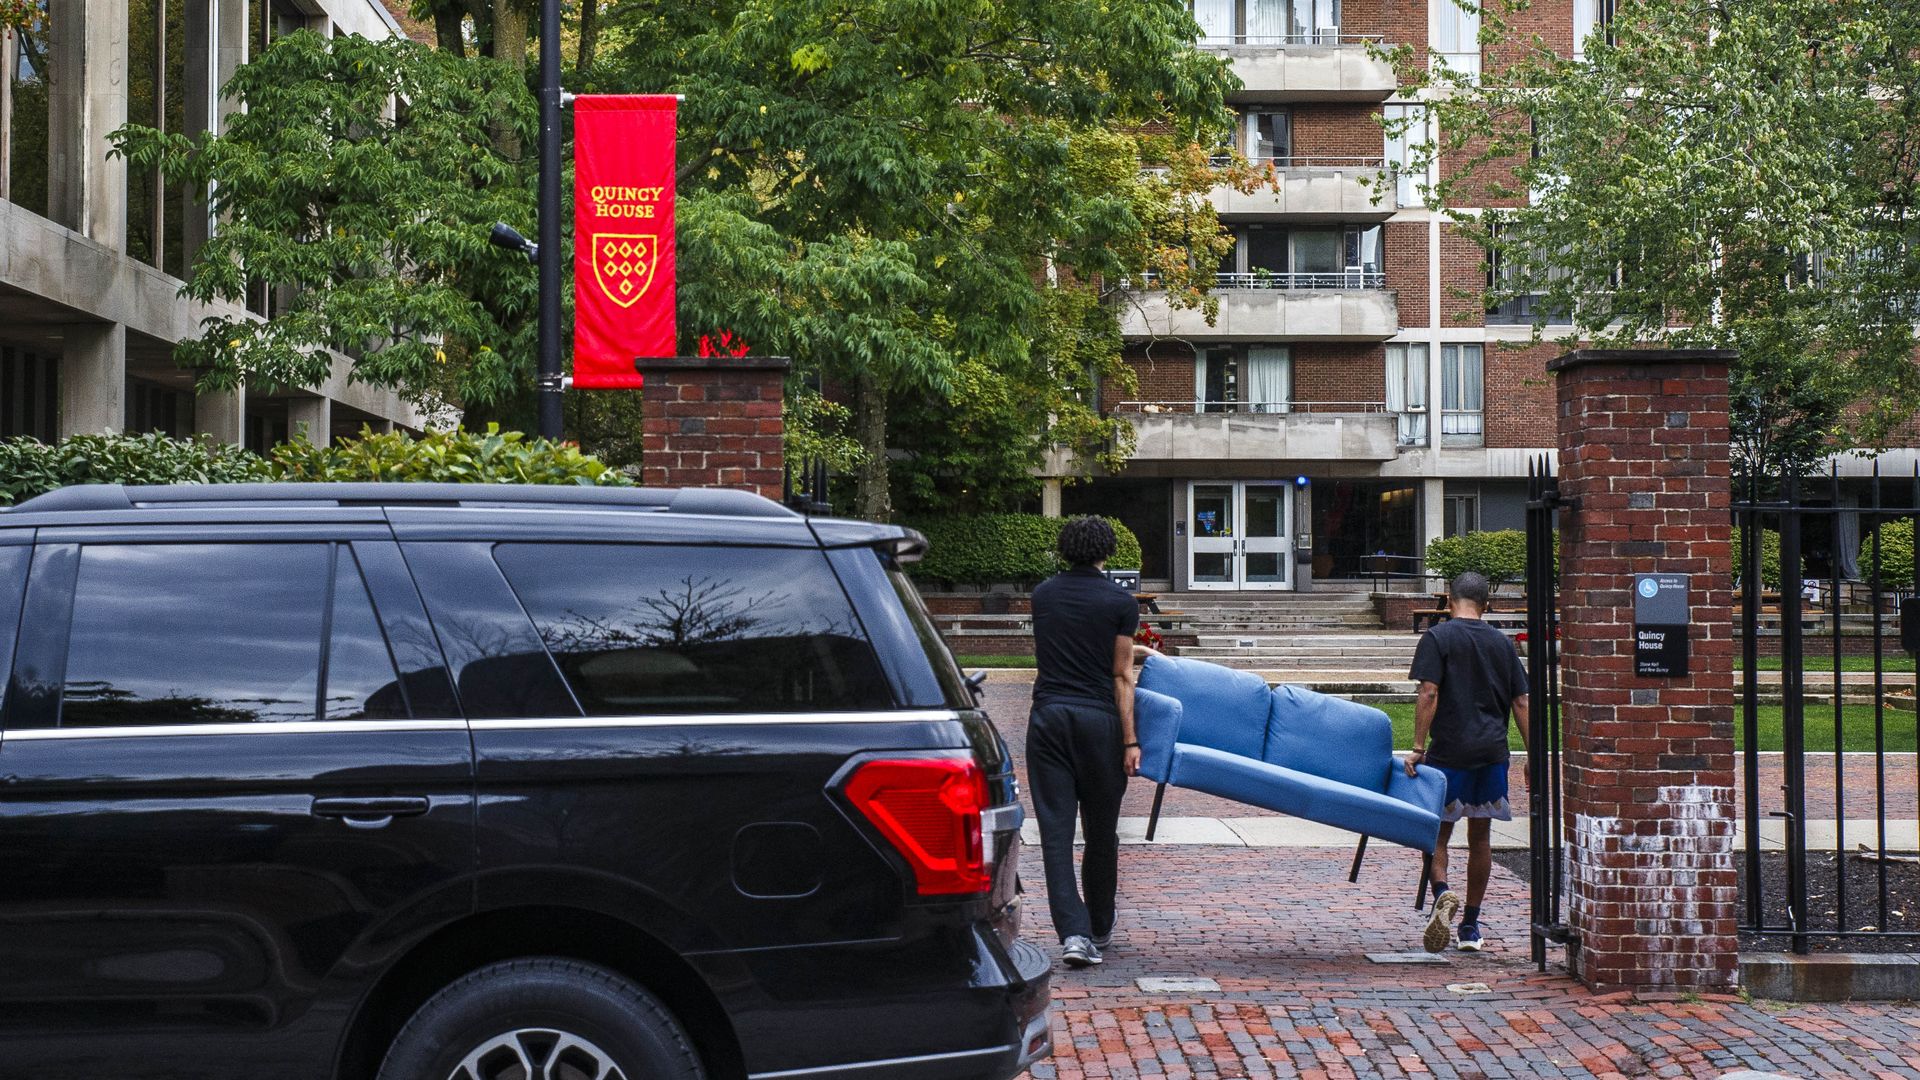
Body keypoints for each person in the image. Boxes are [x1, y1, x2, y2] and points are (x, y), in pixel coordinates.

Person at [1028, 516, 1144, 969]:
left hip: (1049, 718)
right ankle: (1100, 922)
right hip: (1099, 723)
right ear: (1107, 552)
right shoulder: (1120, 601)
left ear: (1064, 550)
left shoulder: (1043, 596)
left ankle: (1074, 935)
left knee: (1055, 835)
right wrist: (1130, 740)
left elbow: (1067, 645)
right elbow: (1120, 673)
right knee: (1101, 830)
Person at [1404, 571, 1530, 953]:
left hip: (1448, 753)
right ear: (1488, 604)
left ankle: (1442, 892)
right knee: (1481, 838)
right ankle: (1470, 926)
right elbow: (1522, 701)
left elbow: (1429, 693)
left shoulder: (1437, 637)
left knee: (1438, 834)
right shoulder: (1502, 643)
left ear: (1446, 599)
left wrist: (1418, 746)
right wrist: (1534, 756)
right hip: (1491, 752)